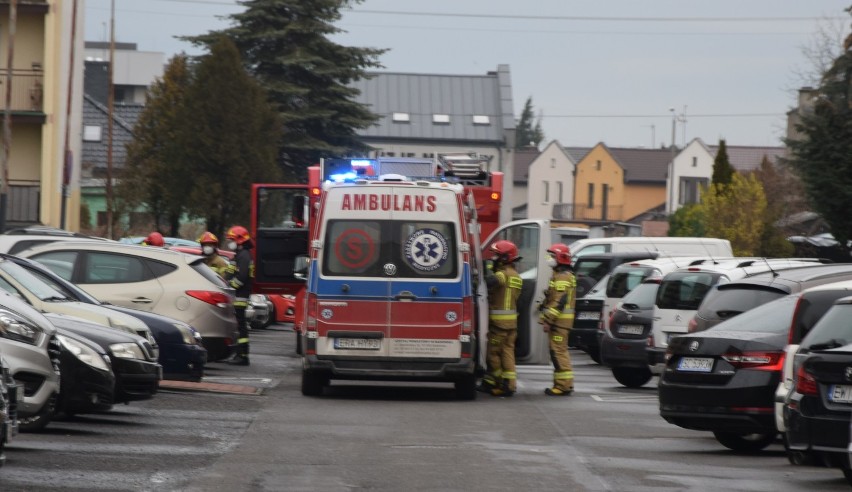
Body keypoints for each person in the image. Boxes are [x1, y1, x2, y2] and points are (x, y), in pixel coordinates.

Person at [478, 239, 523, 397]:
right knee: (508, 353)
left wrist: (484, 272)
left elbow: (486, 283)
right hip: (511, 324)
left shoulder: (502, 275)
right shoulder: (516, 275)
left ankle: (499, 381)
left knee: (493, 354)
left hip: (499, 325)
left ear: (504, 258)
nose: (493, 258)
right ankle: (506, 384)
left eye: (496, 255)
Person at [539, 243, 577, 396]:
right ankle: (561, 384)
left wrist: (548, 320)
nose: (550, 259)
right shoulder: (561, 274)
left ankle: (563, 386)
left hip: (559, 322)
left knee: (559, 353)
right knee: (557, 352)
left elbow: (559, 301)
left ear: (560, 258)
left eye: (552, 256)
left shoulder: (562, 276)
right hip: (560, 322)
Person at [224, 225, 254, 366]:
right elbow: (230, 273)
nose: (230, 243)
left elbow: (241, 278)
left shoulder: (244, 256)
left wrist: (229, 288)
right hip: (239, 296)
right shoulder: (240, 255)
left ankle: (242, 355)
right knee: (240, 326)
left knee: (241, 326)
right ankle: (240, 354)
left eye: (232, 240)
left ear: (240, 240)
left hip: (240, 297)